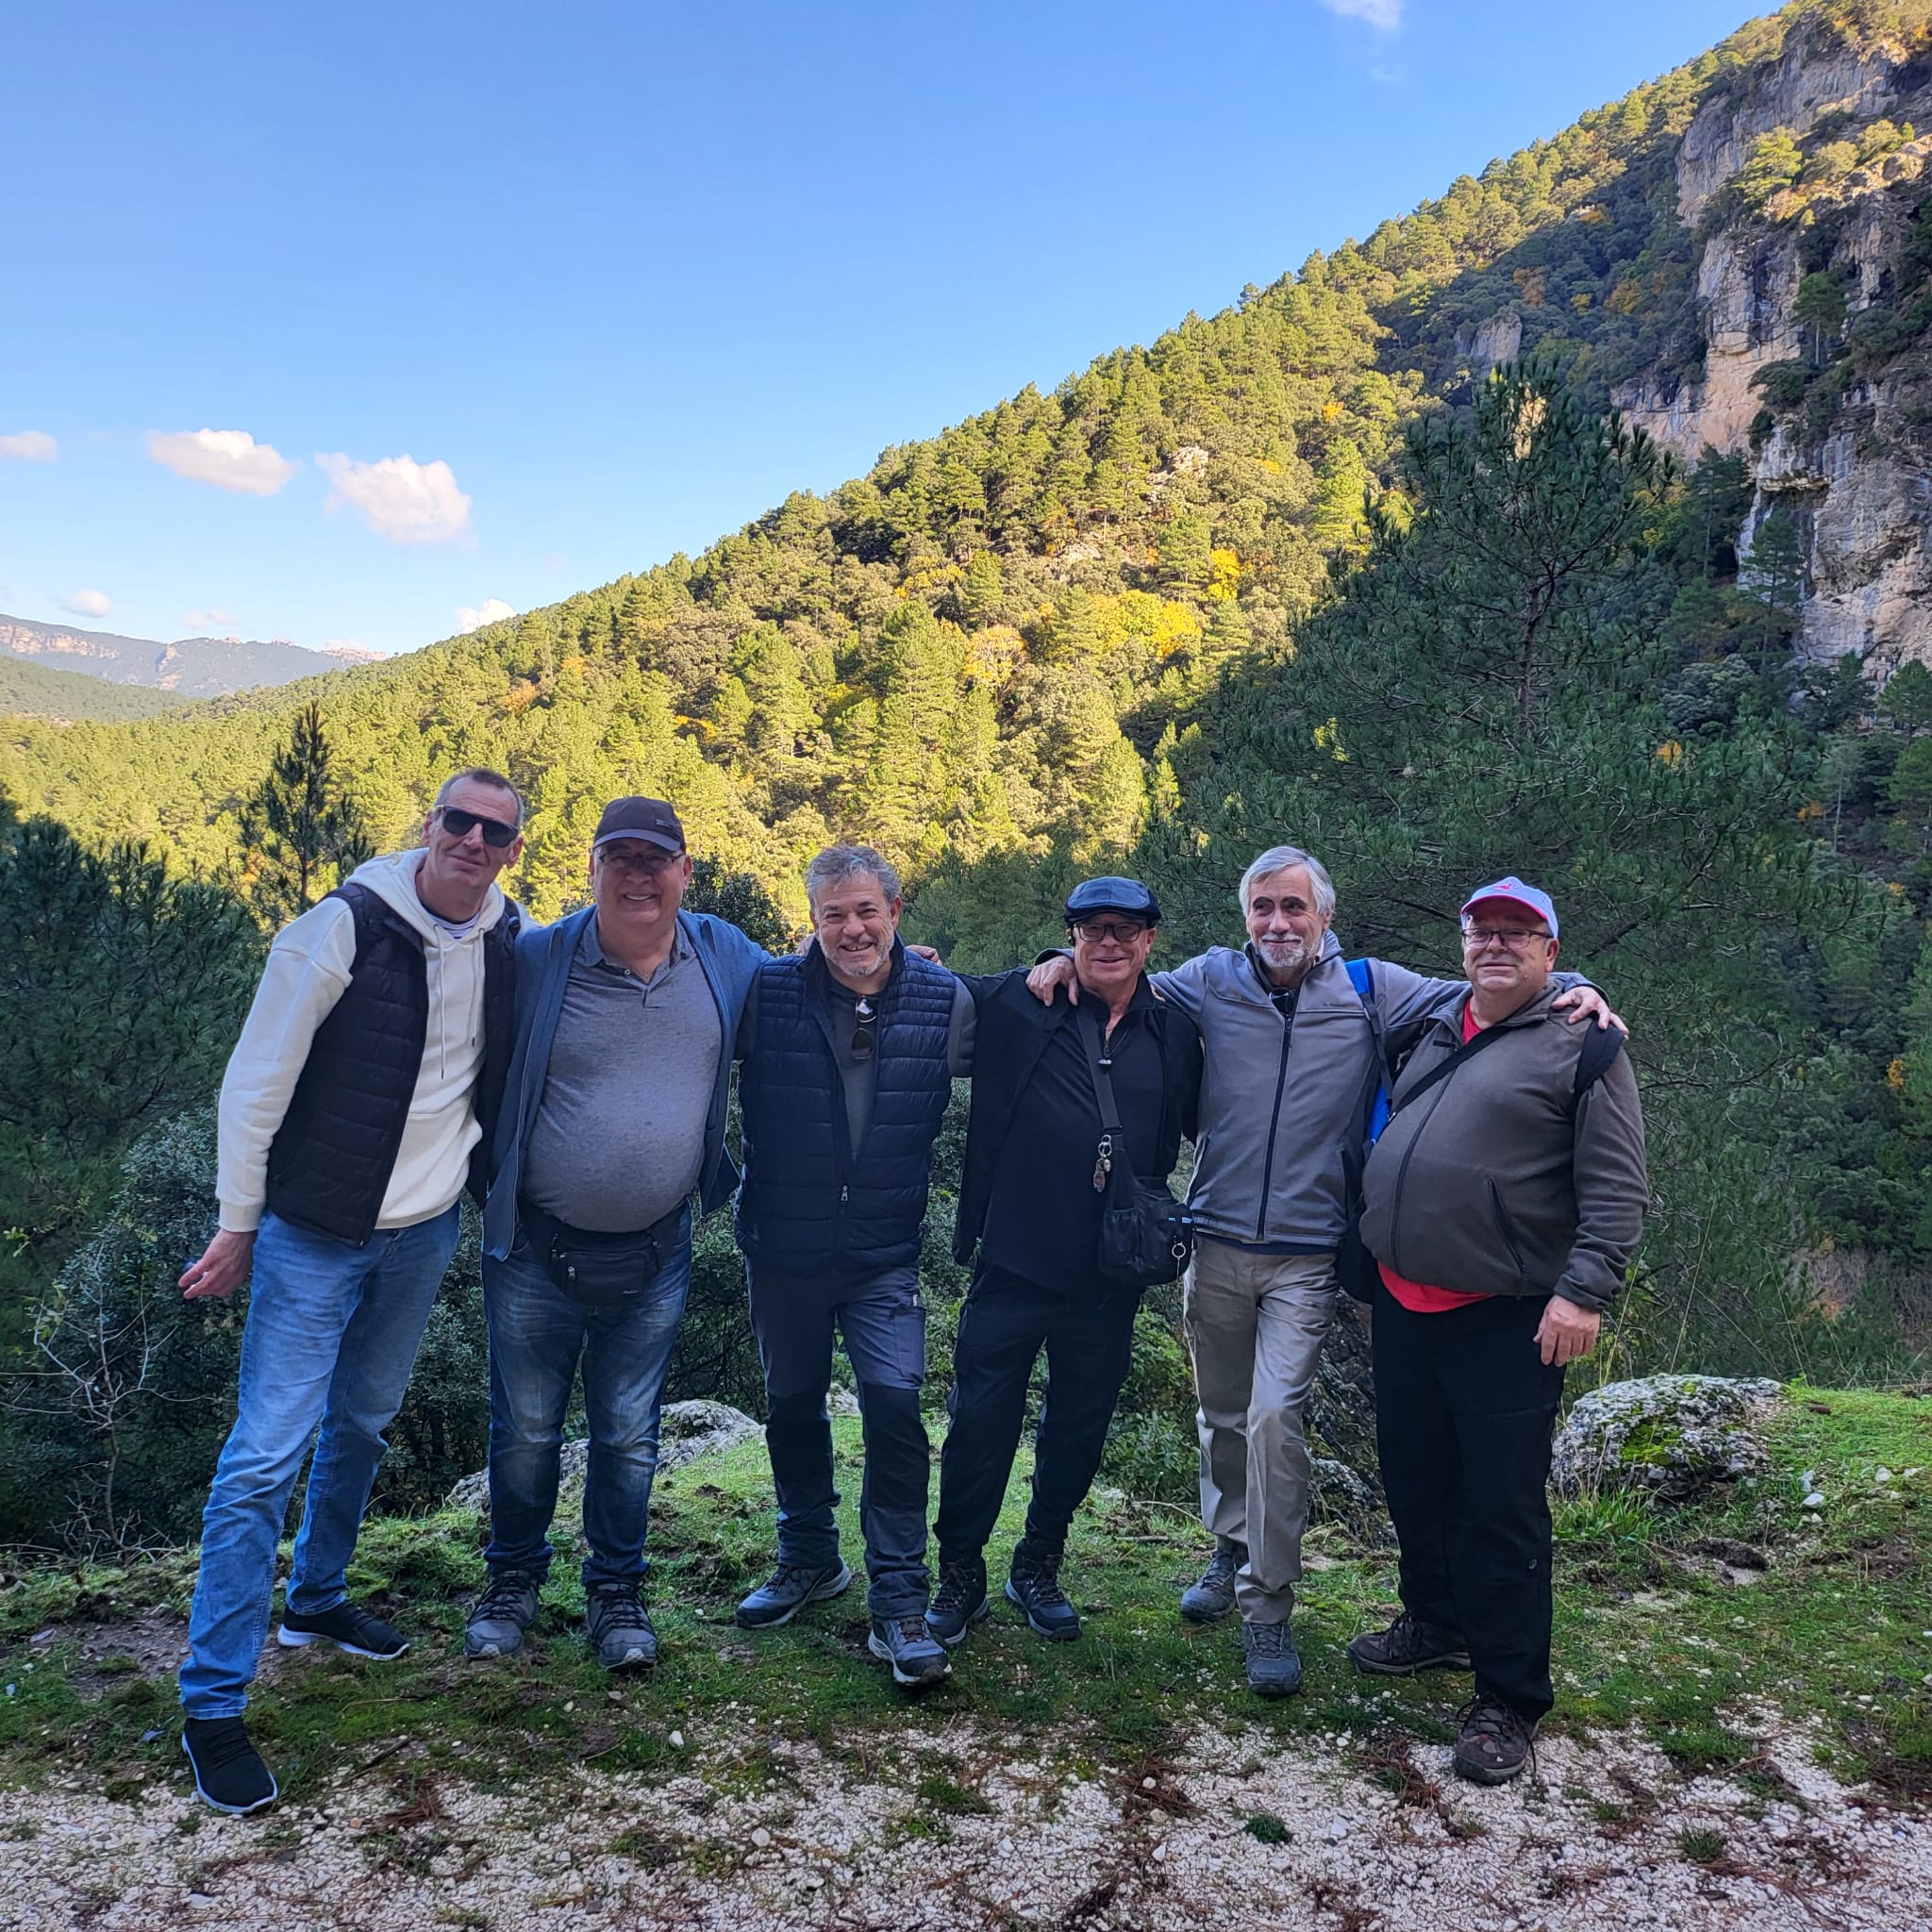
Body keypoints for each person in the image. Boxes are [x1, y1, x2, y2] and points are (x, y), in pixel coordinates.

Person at [1026, 845, 1617, 1695]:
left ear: (1324, 916)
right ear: (1246, 916)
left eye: (1295, 906)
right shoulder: (1209, 980)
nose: (1279, 922)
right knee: (1223, 1416)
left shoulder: (1373, 989)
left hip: (1307, 1256)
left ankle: (1268, 1607)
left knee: (1274, 1422)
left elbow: (1495, 990)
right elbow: (1120, 979)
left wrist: (1576, 984)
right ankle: (1231, 1545)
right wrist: (1060, 958)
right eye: (1264, 906)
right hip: (1214, 1243)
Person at [175, 769, 525, 1814]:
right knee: (263, 1457)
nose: (471, 841)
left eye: (494, 831)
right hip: (314, 1235)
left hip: (424, 1230)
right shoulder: (340, 928)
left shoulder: (508, 938)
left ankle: (316, 1597)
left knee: (364, 1422)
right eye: (457, 820)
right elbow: (254, 1084)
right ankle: (212, 1702)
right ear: (429, 824)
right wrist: (238, 1221)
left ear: (512, 850)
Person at [1352, 876, 1647, 1785]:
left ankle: (1510, 1695)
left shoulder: (1587, 1044)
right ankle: (1435, 1622)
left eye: (1519, 934)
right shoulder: (1437, 1022)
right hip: (1404, 1303)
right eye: (1483, 930)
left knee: (1500, 1506)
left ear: (1551, 953)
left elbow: (1618, 1187)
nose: (1497, 945)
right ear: (1463, 943)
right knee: (1415, 1479)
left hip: (1508, 1318)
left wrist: (1583, 1293)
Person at [464, 797, 764, 1673]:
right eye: (619, 858)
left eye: (655, 858)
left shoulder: (723, 955)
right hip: (534, 1247)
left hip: (658, 1251)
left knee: (630, 1434)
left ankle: (617, 1594)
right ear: (591, 867)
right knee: (526, 1432)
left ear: (685, 872)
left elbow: (820, 981)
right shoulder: (536, 959)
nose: (638, 875)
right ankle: (511, 1584)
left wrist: (907, 965)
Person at [926, 876, 1202, 1650]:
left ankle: (1038, 1565)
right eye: (1090, 928)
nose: (1108, 941)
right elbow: (926, 984)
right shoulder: (1021, 1003)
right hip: (1012, 1260)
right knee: (979, 1424)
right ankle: (959, 1573)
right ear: (1070, 935)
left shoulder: (1175, 1031)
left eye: (1125, 929)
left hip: (1111, 1274)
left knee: (1079, 1427)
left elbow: (1202, 1121)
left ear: (1150, 939)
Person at [732, 845, 973, 1689]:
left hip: (883, 1255)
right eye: (833, 914)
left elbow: (1032, 1024)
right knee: (792, 1407)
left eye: (867, 910)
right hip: (783, 1249)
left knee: (896, 1410)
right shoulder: (764, 992)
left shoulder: (945, 999)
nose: (853, 929)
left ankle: (900, 1602)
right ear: (812, 922)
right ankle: (809, 1557)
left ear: (896, 912)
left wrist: (1059, 960)